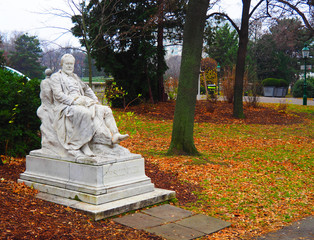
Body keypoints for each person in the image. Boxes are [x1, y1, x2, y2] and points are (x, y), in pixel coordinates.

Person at [49, 54, 128, 158]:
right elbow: (58, 95)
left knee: (105, 109)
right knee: (84, 113)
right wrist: (74, 101)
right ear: (62, 64)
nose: (69, 66)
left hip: (82, 102)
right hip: (66, 105)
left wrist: (95, 101)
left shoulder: (75, 77)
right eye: (67, 64)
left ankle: (115, 134)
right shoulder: (56, 77)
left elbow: (87, 89)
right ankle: (82, 144)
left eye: (71, 64)